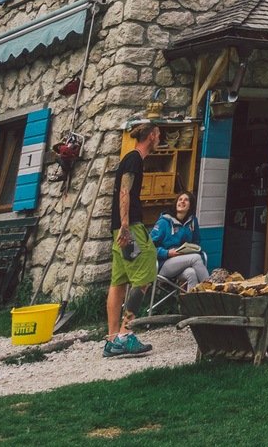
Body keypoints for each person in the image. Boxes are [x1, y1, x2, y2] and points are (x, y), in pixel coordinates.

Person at [105, 120, 161, 357]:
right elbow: (124, 191)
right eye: (159, 135)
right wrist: (127, 226)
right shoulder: (134, 158)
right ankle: (126, 333)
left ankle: (112, 340)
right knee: (146, 271)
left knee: (119, 281)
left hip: (118, 229)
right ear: (151, 136)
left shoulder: (132, 159)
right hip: (130, 227)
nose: (160, 140)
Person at [152, 191, 209, 291]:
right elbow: (150, 247)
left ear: (190, 205)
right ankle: (212, 290)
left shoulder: (192, 221)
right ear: (176, 203)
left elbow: (196, 240)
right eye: (180, 199)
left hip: (183, 261)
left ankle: (189, 305)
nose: (182, 202)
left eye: (186, 200)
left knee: (192, 273)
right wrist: (167, 253)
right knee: (196, 258)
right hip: (162, 265)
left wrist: (191, 249)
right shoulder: (163, 222)